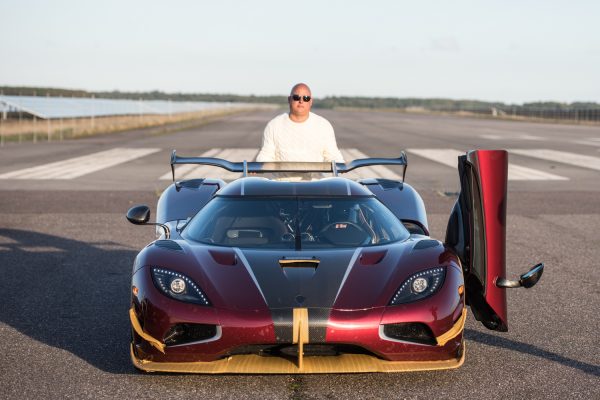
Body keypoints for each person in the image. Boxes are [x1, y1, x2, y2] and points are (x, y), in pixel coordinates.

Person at [256, 83, 344, 164]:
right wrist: (258, 165)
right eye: (296, 97)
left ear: (311, 102)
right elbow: (266, 154)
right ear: (289, 100)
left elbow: (333, 155)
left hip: (315, 177)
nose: (301, 101)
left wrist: (340, 164)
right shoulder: (273, 126)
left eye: (306, 98)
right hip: (282, 177)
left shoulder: (324, 126)